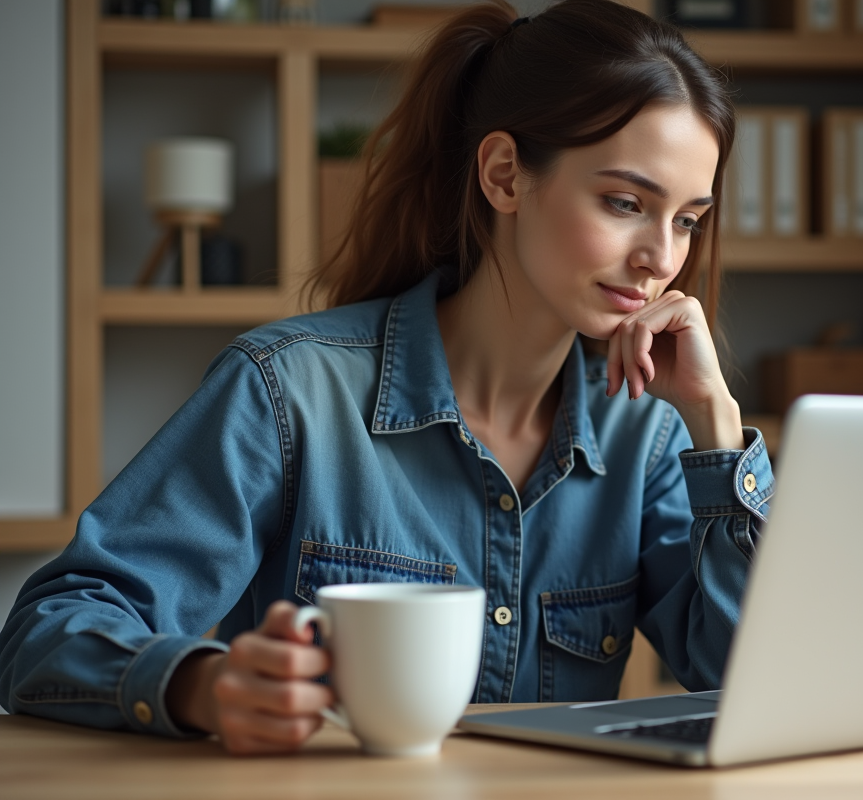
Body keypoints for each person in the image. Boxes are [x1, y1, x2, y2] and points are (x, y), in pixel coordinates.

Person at [0, 0, 773, 755]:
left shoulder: (645, 432)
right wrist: (206, 686)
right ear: (504, 175)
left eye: (687, 220)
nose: (661, 258)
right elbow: (50, 629)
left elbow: (752, 683)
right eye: (625, 202)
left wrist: (716, 429)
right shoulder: (287, 393)